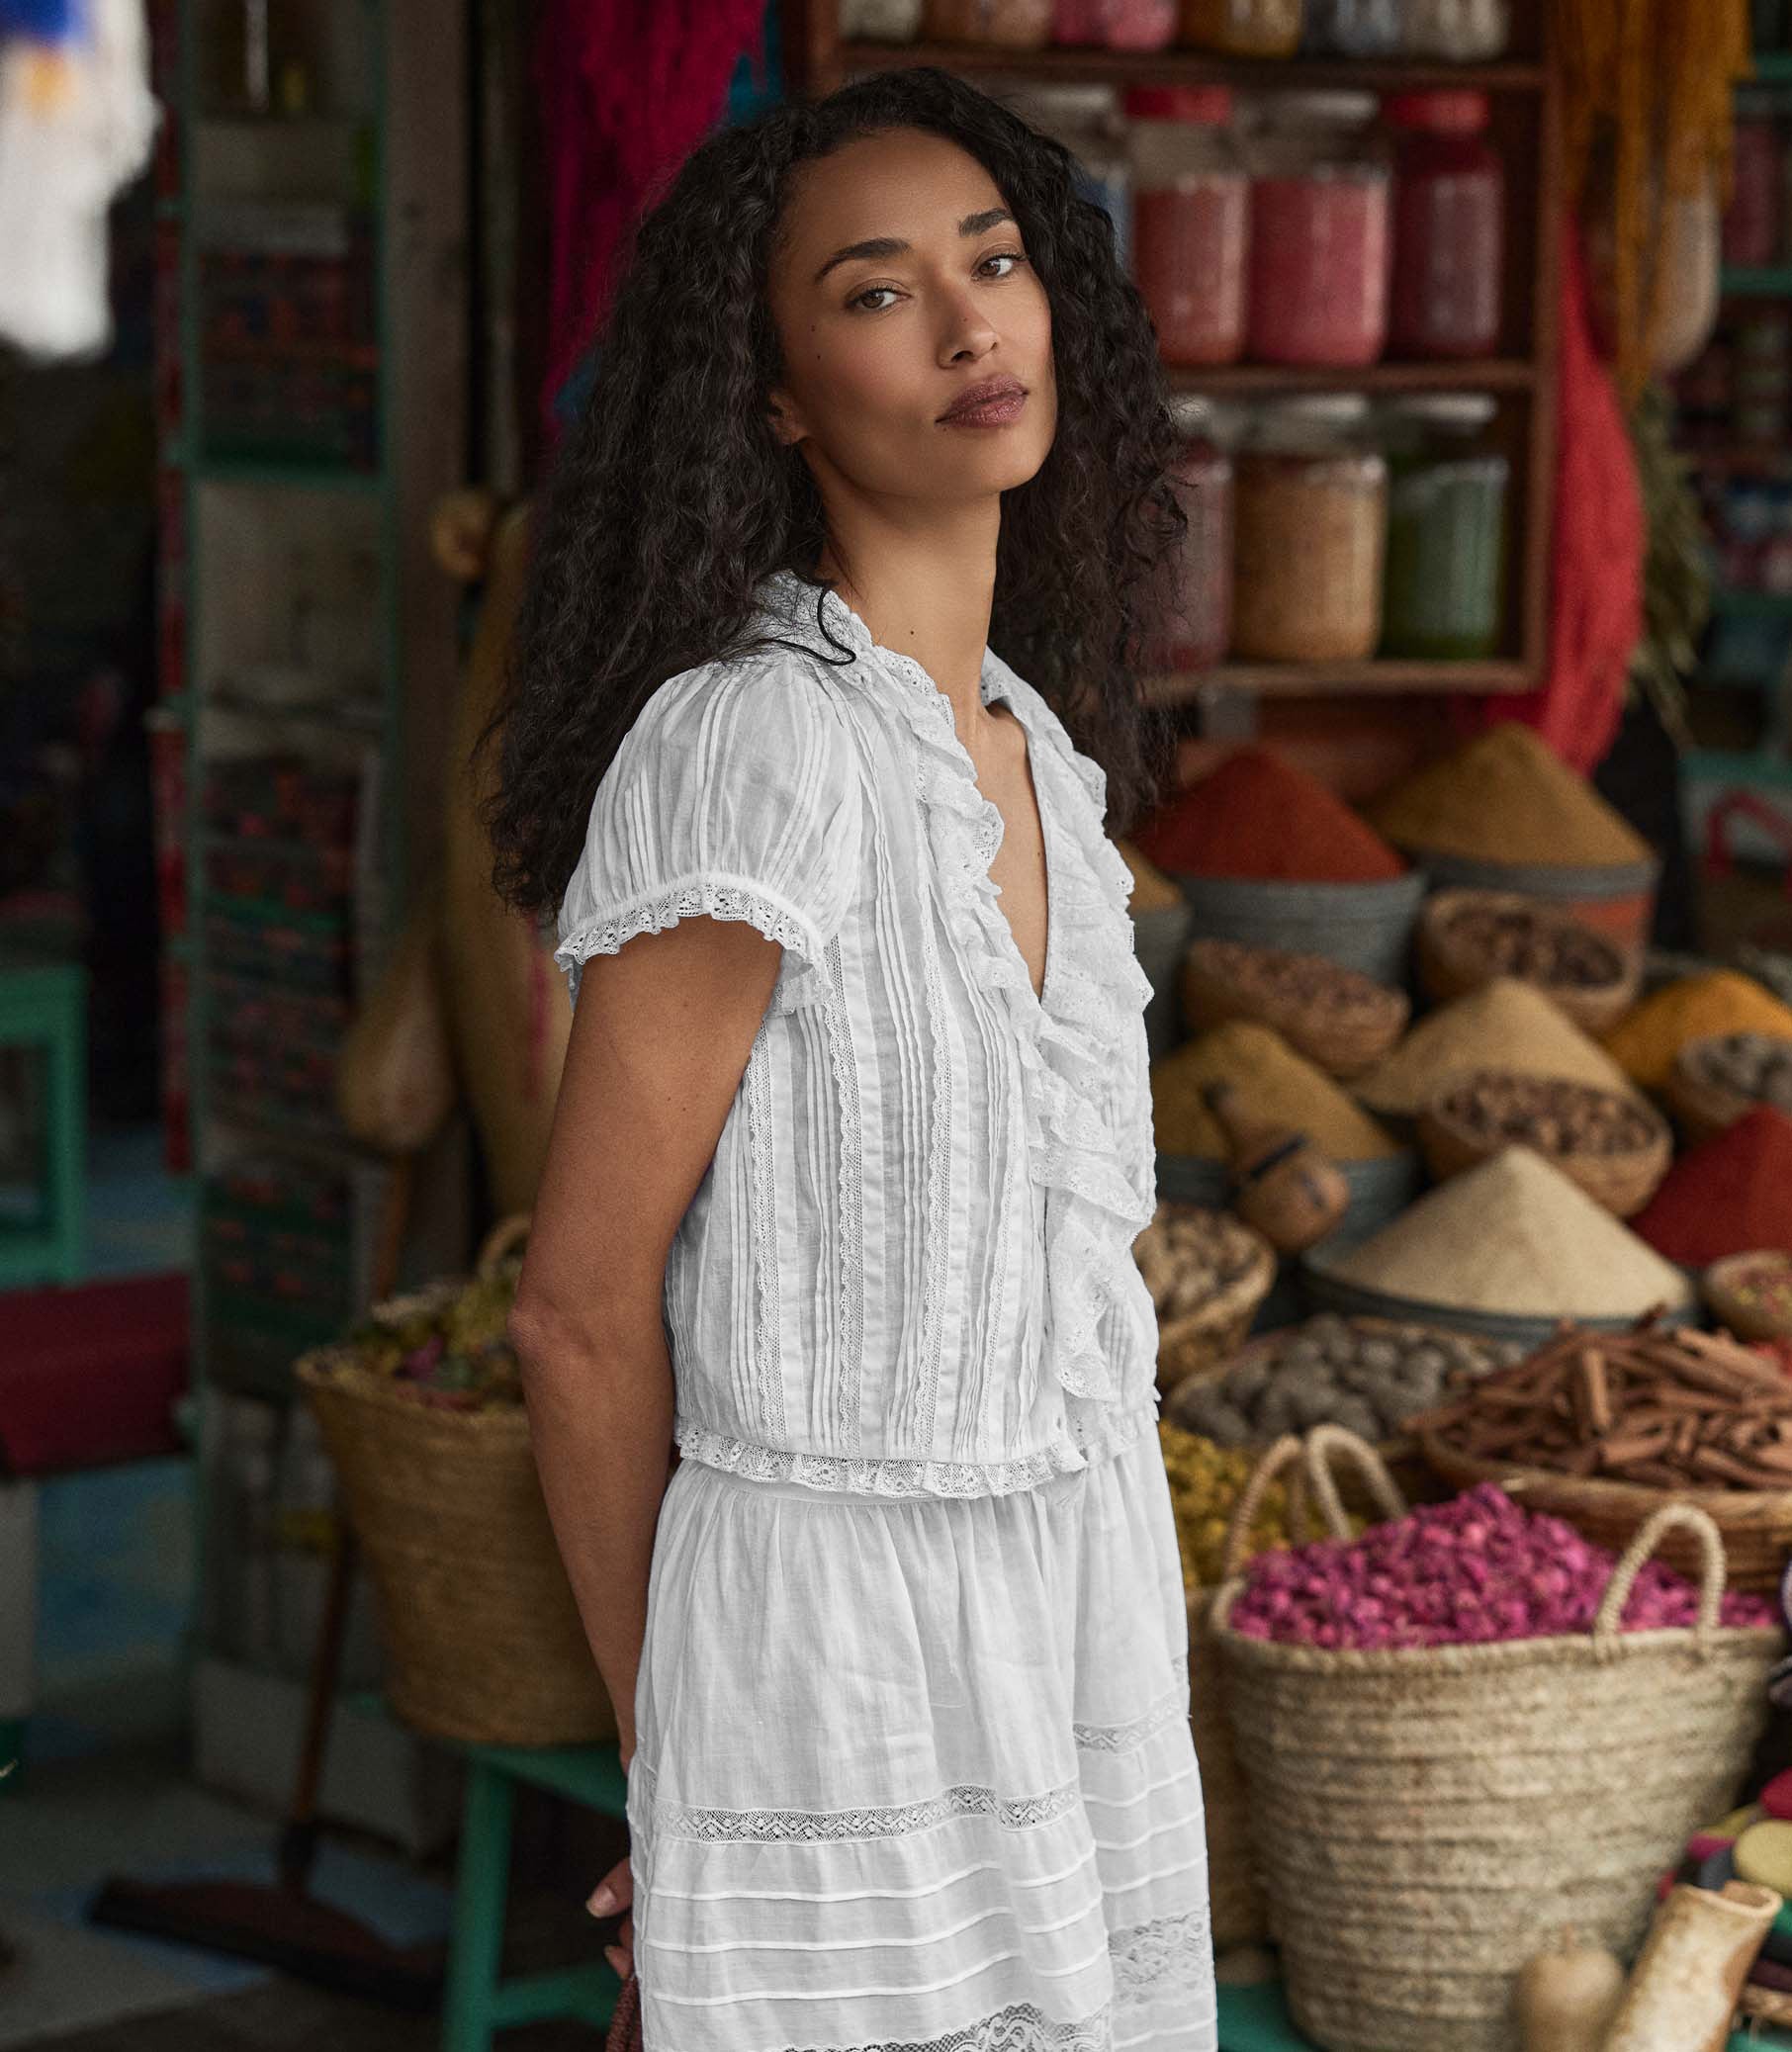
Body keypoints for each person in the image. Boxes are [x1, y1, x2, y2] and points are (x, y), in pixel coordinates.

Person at [481, 61, 1216, 2052]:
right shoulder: (759, 744)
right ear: (779, 395)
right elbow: (576, 1316)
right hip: (822, 1677)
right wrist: (685, 1769)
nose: (975, 321)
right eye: (880, 289)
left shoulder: (1045, 766)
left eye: (995, 261)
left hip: (1076, 1644)